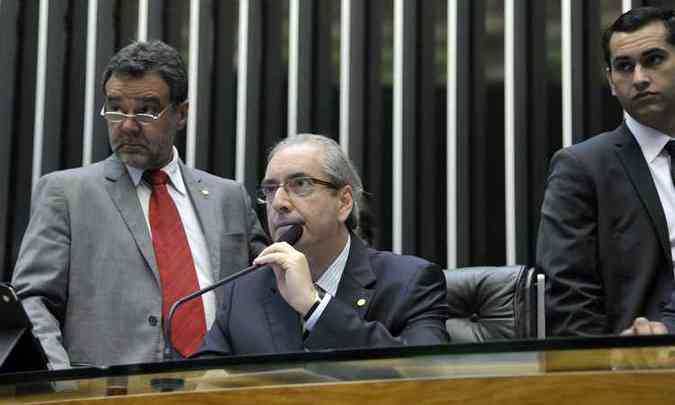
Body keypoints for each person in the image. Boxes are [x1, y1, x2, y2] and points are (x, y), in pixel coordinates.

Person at [10, 40, 267, 369]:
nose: (127, 125)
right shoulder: (67, 194)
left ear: (181, 114)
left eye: (146, 109)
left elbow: (267, 294)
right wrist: (61, 382)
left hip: (220, 389)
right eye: (116, 108)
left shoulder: (228, 197)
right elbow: (33, 300)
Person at [199, 134, 449, 356]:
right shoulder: (243, 292)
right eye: (271, 189)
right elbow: (203, 385)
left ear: (343, 202)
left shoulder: (410, 282)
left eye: (300, 184)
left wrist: (314, 306)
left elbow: (425, 375)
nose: (279, 203)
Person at [537, 7, 675, 337]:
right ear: (612, 81)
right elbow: (570, 303)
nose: (639, 78)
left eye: (654, 59)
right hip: (638, 367)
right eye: (624, 67)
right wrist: (610, 366)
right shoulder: (582, 169)